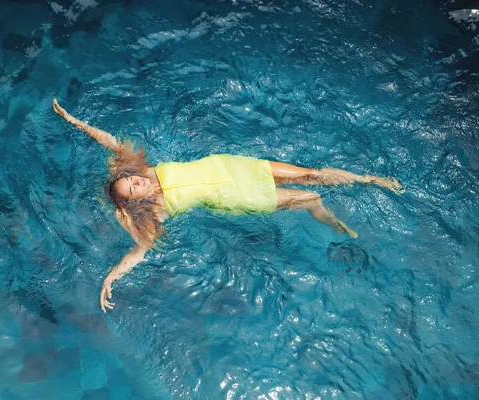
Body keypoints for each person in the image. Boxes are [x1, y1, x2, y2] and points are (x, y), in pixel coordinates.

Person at [52, 99, 403, 312]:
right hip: (240, 197)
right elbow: (139, 251)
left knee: (310, 175)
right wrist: (112, 276)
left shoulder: (148, 169)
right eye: (132, 189)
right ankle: (332, 222)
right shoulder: (159, 209)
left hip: (239, 168)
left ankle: (369, 180)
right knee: (311, 198)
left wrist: (76, 122)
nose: (137, 182)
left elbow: (112, 143)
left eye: (132, 179)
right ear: (137, 200)